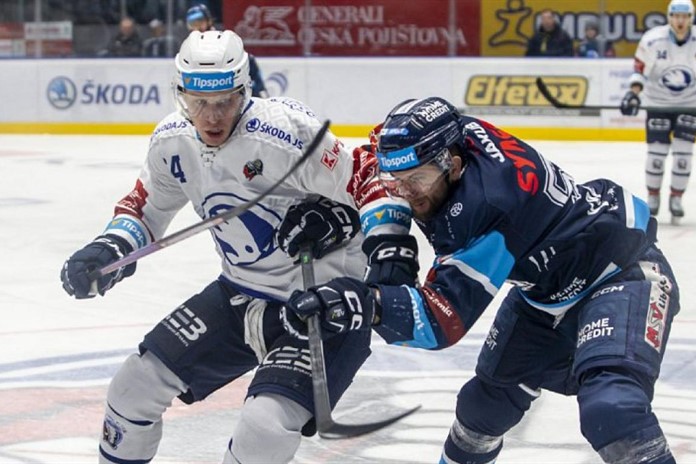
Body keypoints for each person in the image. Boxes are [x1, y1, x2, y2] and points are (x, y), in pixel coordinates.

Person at [60, 29, 409, 464]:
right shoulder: (172, 142)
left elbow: (369, 178)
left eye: (224, 101)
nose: (211, 117)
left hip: (322, 304)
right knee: (132, 389)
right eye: (198, 102)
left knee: (263, 428)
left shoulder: (285, 133)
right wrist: (110, 249)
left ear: (245, 91)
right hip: (239, 294)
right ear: (180, 94)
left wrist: (354, 224)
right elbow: (146, 210)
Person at [284, 96, 680, 464]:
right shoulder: (449, 138)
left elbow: (440, 321)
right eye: (396, 181)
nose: (405, 193)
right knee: (482, 409)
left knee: (612, 409)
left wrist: (363, 303)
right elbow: (375, 156)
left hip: (622, 274)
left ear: (454, 165)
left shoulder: (488, 207)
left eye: (417, 180)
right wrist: (380, 232)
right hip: (546, 290)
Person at [621, 0, 695, 224]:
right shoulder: (653, 39)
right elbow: (639, 69)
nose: (680, 21)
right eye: (676, 16)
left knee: (683, 153)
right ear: (669, 17)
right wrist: (633, 93)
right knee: (656, 153)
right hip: (658, 104)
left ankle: (676, 197)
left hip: (689, 104)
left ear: (691, 18)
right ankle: (653, 195)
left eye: (685, 17)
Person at [187, 3, 269, 97]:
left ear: (208, 21)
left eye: (199, 22)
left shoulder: (223, 38)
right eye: (192, 24)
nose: (197, 28)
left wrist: (259, 89)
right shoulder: (189, 45)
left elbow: (245, 60)